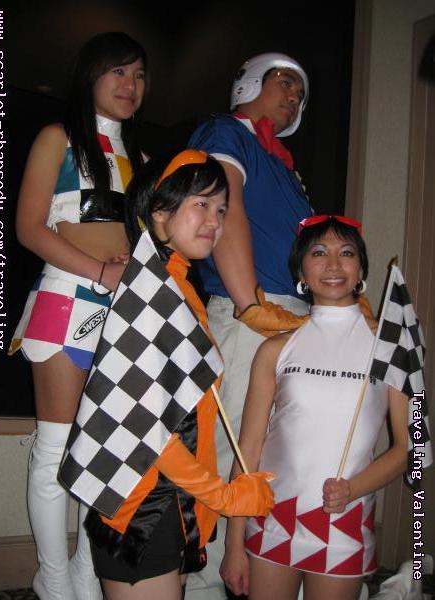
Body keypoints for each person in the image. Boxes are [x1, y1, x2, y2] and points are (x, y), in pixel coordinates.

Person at [65, 150, 275, 600]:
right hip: (141, 507)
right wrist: (223, 496)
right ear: (159, 210)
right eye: (201, 204)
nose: (215, 221)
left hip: (173, 504)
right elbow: (143, 425)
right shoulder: (151, 291)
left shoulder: (177, 286)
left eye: (222, 210)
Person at [8, 32, 147, 600]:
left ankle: (89, 575)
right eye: (118, 71)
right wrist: (100, 271)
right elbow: (28, 228)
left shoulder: (139, 160)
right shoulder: (57, 138)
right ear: (91, 75)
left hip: (122, 313)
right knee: (55, 449)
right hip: (65, 301)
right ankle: (54, 577)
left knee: (104, 452)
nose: (130, 85)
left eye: (139, 75)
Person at [221, 216, 409, 600]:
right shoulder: (275, 349)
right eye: (319, 253)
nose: (333, 264)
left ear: (361, 270)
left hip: (345, 524)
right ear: (301, 273)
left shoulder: (393, 349)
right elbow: (248, 450)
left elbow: (409, 448)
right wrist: (233, 544)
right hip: (272, 520)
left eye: (347, 253)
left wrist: (353, 489)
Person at [186, 52, 312, 598]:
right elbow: (226, 208)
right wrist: (248, 304)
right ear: (251, 81)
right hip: (250, 313)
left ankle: (270, 573)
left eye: (300, 92)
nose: (294, 96)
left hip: (295, 316)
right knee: (232, 449)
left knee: (280, 454)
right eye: (285, 81)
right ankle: (203, 583)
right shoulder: (228, 131)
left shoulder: (283, 165)